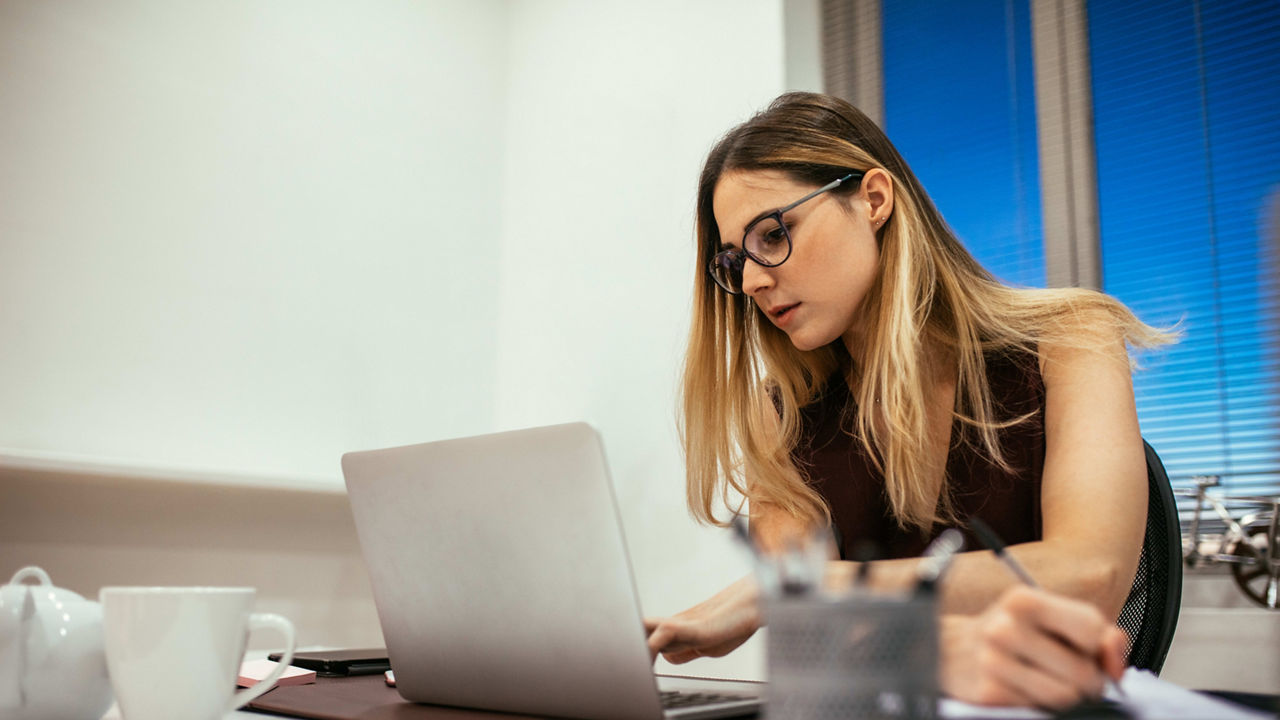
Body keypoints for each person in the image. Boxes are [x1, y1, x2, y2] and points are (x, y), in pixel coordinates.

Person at [644, 92, 1171, 708]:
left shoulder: (1072, 337)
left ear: (873, 199)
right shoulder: (783, 410)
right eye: (735, 261)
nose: (754, 279)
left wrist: (812, 587)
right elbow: (813, 634)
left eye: (774, 233)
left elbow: (1089, 578)